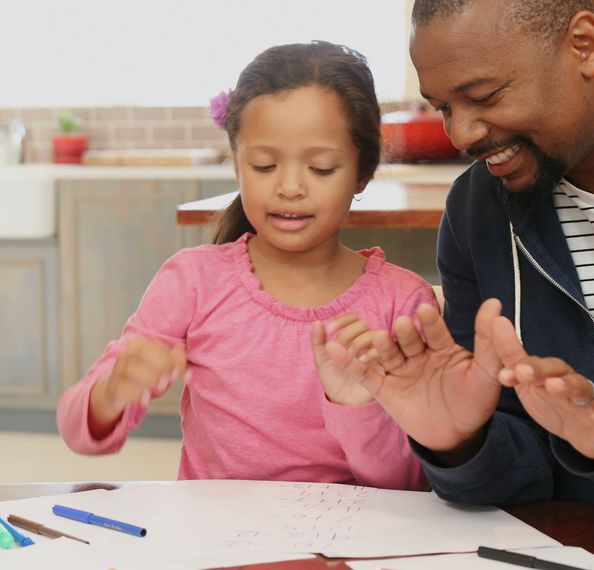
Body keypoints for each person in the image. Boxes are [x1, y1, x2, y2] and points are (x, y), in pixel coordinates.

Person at [323, 0, 594, 525]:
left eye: (483, 96)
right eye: (443, 107)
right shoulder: (477, 209)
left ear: (585, 45)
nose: (462, 135)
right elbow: (524, 469)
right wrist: (461, 444)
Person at [56, 41, 437, 489]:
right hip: (215, 543)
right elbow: (77, 433)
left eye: (320, 168)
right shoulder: (193, 281)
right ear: (237, 164)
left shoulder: (402, 304)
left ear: (362, 172)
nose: (290, 187)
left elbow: (408, 485)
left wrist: (356, 407)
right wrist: (112, 391)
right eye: (264, 165)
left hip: (344, 548)